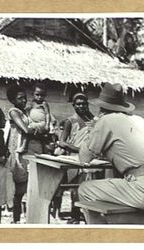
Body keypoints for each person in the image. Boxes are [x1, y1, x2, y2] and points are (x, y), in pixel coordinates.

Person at [78, 82, 144, 212]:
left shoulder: (105, 120)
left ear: (101, 108)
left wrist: (93, 129)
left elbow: (84, 158)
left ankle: (101, 230)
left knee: (85, 189)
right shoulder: (139, 120)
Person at [6, 84, 43, 223]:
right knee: (20, 188)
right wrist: (37, 130)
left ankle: (30, 218)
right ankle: (16, 219)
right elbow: (26, 130)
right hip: (18, 151)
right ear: (13, 100)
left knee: (30, 185)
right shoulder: (13, 112)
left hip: (28, 150)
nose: (24, 101)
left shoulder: (26, 112)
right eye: (20, 98)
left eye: (25, 98)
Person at [58, 92, 96, 224]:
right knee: (75, 188)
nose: (81, 106)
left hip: (91, 158)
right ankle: (75, 215)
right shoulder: (70, 121)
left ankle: (88, 215)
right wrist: (80, 150)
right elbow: (62, 142)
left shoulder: (92, 121)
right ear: (73, 106)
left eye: (84, 104)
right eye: (78, 104)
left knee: (90, 186)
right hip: (75, 157)